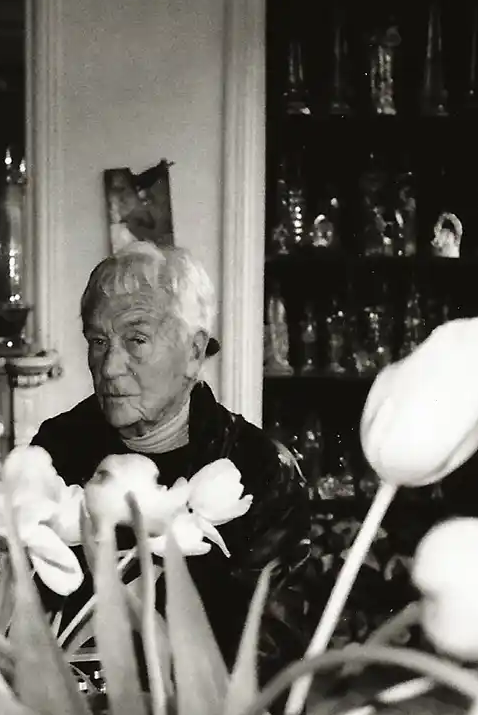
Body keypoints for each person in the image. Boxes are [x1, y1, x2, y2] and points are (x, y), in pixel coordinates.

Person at [31, 242, 312, 674]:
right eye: (98, 341)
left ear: (194, 353)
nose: (109, 367)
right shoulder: (57, 448)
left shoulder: (260, 469)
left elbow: (269, 658)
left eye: (136, 340)